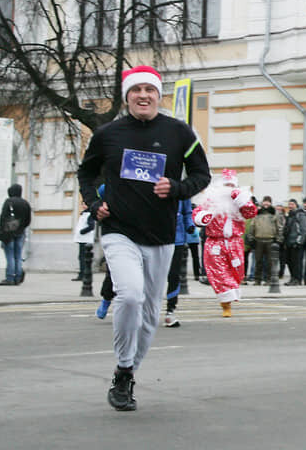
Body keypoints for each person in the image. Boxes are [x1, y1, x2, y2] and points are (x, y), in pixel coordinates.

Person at [77, 65, 210, 412]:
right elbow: (86, 172)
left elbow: (201, 174)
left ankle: (129, 371)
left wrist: (177, 188)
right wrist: (94, 204)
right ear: (127, 97)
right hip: (119, 229)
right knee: (131, 295)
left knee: (151, 313)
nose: (143, 96)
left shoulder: (179, 132)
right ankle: (123, 371)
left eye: (149, 90)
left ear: (158, 95)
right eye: (136, 90)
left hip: (162, 234)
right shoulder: (108, 135)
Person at [193, 169, 258, 317]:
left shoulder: (240, 201)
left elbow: (251, 213)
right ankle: (226, 304)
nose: (229, 188)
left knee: (237, 272)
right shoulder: (211, 200)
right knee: (219, 272)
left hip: (235, 242)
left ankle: (230, 295)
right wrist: (203, 217)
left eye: (231, 185)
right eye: (226, 185)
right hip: (215, 243)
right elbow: (198, 213)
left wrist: (241, 200)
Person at [164, 199, 194, 328]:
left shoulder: (182, 190)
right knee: (151, 276)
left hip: (177, 239)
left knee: (174, 275)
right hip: (155, 238)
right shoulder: (152, 183)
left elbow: (187, 212)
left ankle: (170, 311)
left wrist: (190, 225)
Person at [0, 183, 32, 286]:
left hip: (9, 233)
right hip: (20, 232)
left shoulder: (9, 202)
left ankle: (10, 278)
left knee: (10, 256)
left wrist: (0, 231)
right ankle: (18, 277)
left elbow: (3, 217)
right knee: (18, 255)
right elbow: (28, 220)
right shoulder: (25, 203)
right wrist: (21, 228)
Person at [282, 199, 306, 286]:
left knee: (296, 262)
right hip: (289, 242)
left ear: (296, 205)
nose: (290, 206)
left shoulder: (300, 215)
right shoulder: (289, 215)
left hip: (296, 242)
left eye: (292, 204)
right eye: (289, 204)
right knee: (289, 262)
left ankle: (297, 279)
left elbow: (304, 229)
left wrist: (299, 241)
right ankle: (292, 278)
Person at [74, 201, 96, 282]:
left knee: (84, 258)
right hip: (81, 239)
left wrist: (82, 231)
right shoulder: (83, 214)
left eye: (85, 204)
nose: (83, 206)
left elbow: (91, 226)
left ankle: (84, 274)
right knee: (81, 257)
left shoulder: (89, 214)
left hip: (85, 239)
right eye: (82, 204)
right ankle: (81, 273)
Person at [187, 204, 204, 284]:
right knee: (195, 257)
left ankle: (180, 274)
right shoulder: (195, 216)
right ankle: (196, 274)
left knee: (182, 257)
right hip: (194, 238)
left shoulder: (186, 216)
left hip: (186, 238)